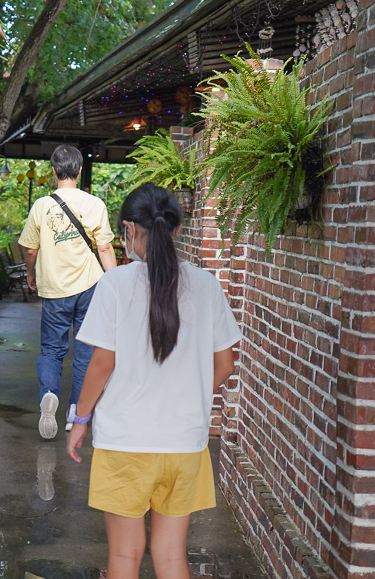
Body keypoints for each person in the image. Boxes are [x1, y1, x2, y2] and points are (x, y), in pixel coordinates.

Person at [65, 183, 241, 579]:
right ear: (176, 230)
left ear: (128, 230)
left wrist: (80, 420)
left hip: (124, 441)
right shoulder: (206, 285)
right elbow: (226, 364)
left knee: (125, 557)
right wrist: (187, 394)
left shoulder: (115, 285)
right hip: (184, 442)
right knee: (172, 557)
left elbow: (101, 363)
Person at [19, 144, 118, 440]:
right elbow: (104, 247)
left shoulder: (41, 206)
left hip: (54, 289)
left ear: (53, 171)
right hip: (90, 286)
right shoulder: (94, 204)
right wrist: (114, 283)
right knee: (85, 351)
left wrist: (30, 272)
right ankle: (76, 411)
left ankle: (49, 395)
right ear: (79, 170)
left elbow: (29, 249)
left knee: (52, 349)